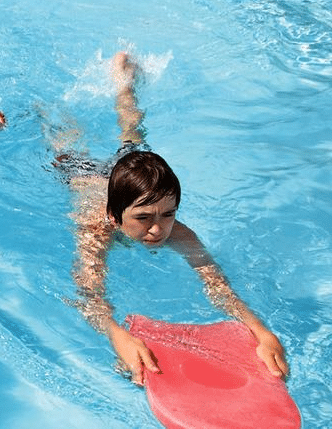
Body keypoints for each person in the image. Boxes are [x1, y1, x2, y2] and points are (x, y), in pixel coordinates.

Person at [62, 52, 288, 386]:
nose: (158, 229)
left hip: (132, 174)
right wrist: (117, 336)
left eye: (169, 214)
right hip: (90, 177)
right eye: (143, 218)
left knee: (132, 136)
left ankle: (123, 80)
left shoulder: (179, 233)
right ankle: (54, 114)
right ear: (115, 217)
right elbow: (86, 293)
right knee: (67, 146)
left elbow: (217, 286)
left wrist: (261, 331)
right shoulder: (97, 227)